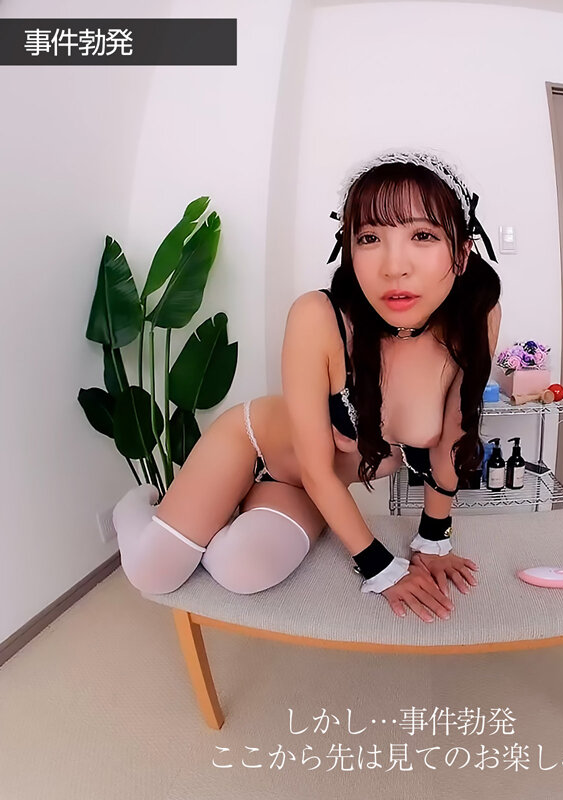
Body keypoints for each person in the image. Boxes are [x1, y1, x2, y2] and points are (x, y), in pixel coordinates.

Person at [112, 148, 502, 623]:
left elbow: (454, 436)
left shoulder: (474, 321)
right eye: (370, 238)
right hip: (251, 444)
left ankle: (226, 513)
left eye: (422, 235)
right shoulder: (319, 317)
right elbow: (318, 467)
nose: (394, 266)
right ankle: (139, 505)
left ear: (462, 252)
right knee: (154, 573)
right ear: (349, 249)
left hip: (306, 486)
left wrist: (433, 538)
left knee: (241, 571)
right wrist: (381, 568)